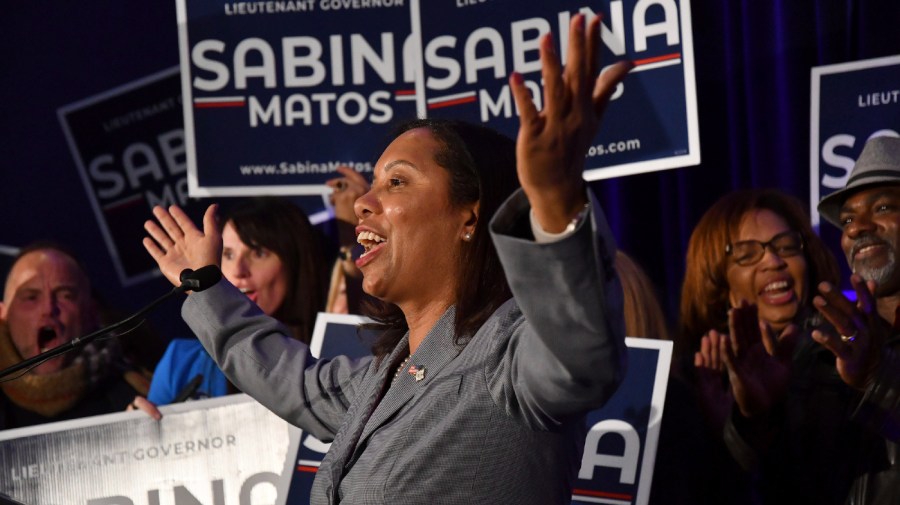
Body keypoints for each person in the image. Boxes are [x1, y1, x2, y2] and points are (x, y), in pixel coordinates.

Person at [141, 13, 630, 504]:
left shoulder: (511, 358)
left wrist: (555, 199)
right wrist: (206, 284)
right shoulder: (386, 375)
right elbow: (293, 382)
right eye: (372, 184)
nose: (363, 203)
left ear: (470, 217)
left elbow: (580, 356)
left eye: (396, 182)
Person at [674, 189, 840, 503]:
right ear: (717, 281)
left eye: (787, 246)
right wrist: (728, 433)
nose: (774, 261)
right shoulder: (692, 382)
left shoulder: (845, 359)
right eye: (748, 253)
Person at [133, 197, 329, 416]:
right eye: (227, 254)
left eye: (258, 253)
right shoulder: (181, 361)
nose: (238, 270)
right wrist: (138, 428)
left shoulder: (335, 354)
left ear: (296, 262)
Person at [0, 243, 145, 429]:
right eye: (31, 297)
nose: (48, 309)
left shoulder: (137, 394)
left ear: (91, 313)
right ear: (3, 315)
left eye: (65, 296)